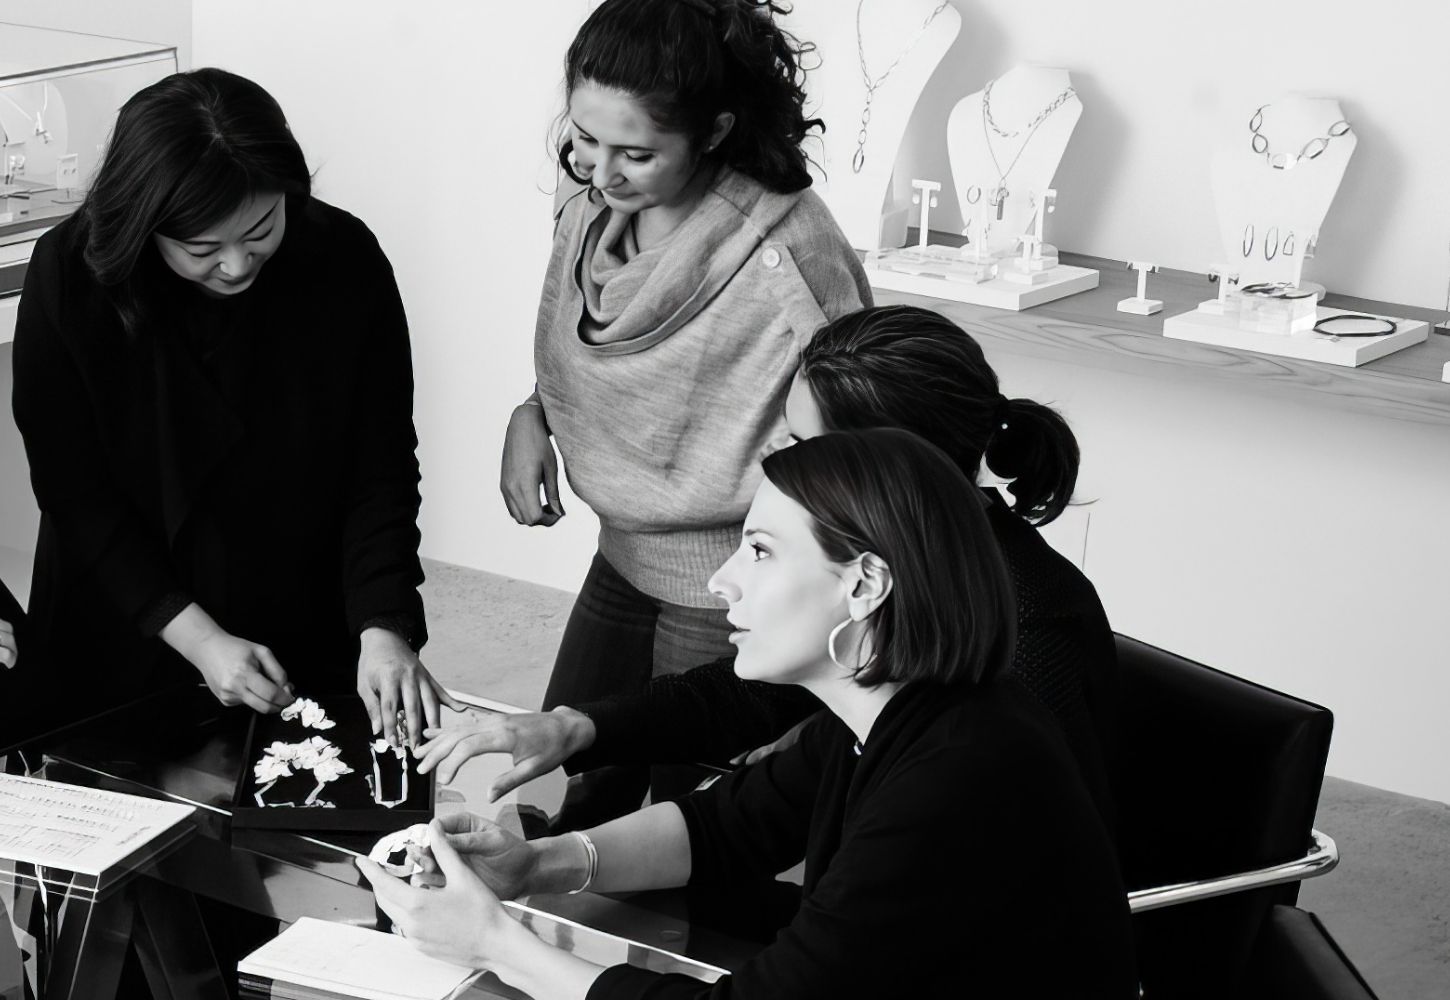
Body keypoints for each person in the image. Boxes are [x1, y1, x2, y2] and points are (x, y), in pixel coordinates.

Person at [360, 429, 1138, 998]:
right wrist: (538, 865)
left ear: (864, 586)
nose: (722, 582)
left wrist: (498, 942)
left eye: (760, 552)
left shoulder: (956, 781)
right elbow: (725, 826)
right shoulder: (892, 712)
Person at [420, 305, 1119, 827]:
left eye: (803, 444)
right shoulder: (884, 562)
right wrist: (576, 727)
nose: (779, 463)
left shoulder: (1025, 642)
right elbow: (748, 703)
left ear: (887, 462)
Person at [11, 68, 459, 745]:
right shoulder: (71, 278)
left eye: (261, 230)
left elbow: (380, 470)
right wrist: (197, 637)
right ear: (143, 226)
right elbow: (76, 494)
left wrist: (383, 627)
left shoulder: (343, 260)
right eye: (201, 249)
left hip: (293, 604)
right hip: (122, 612)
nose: (236, 264)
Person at [502, 0, 870, 821]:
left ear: (713, 131)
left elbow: (860, 434)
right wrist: (534, 412)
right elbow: (572, 343)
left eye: (636, 152)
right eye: (584, 137)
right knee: (576, 769)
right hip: (623, 545)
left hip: (729, 571)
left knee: (692, 811)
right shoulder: (587, 196)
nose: (601, 171)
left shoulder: (787, 248)